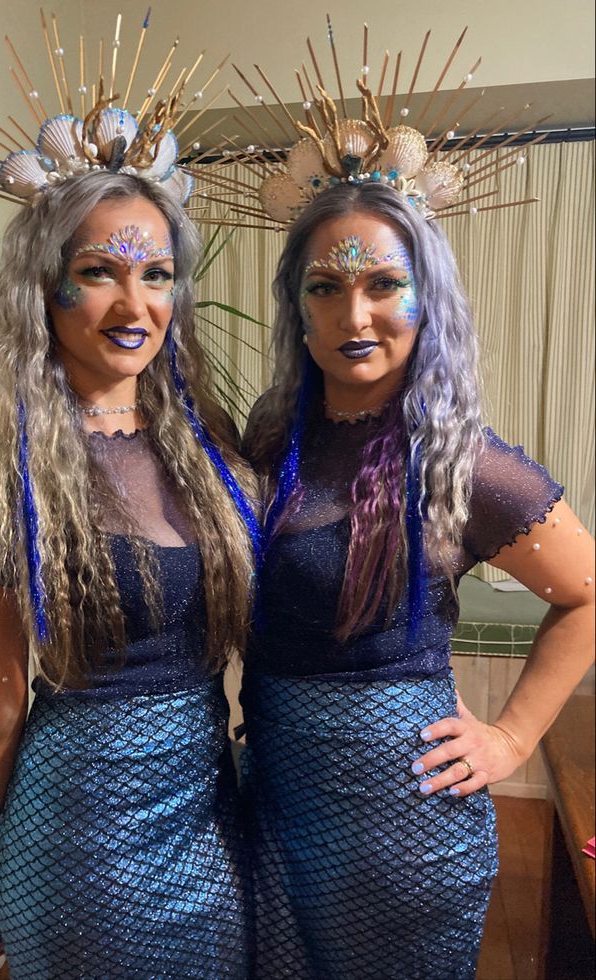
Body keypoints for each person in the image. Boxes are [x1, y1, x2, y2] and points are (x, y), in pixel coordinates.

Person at [240, 180, 595, 979]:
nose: (353, 316)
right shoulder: (271, 434)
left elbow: (588, 596)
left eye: (383, 285)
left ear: (426, 298)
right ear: (297, 307)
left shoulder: (464, 462)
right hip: (276, 798)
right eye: (325, 288)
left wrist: (511, 739)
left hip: (401, 822)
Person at [0, 169, 258, 979]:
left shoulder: (216, 456)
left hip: (210, 821)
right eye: (98, 273)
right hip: (81, 841)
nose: (134, 303)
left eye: (155, 274)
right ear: (44, 290)